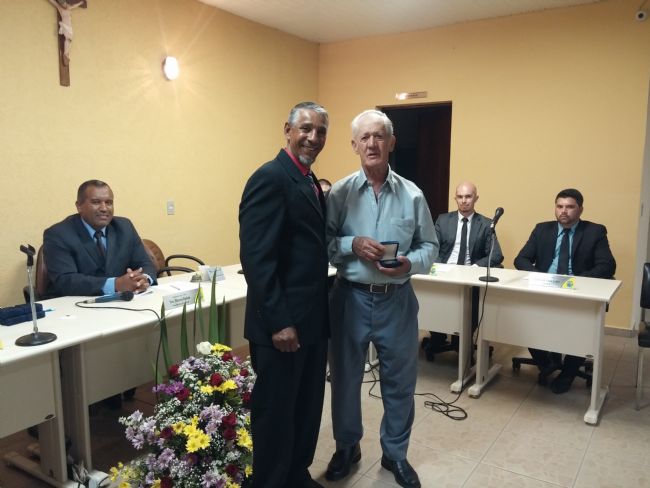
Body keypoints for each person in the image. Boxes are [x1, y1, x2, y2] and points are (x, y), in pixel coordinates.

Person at [326, 109, 438, 488]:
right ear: (354, 145)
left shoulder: (412, 194)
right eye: (365, 137)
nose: (372, 143)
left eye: (379, 136)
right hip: (349, 299)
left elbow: (430, 247)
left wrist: (410, 263)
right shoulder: (339, 194)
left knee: (400, 383)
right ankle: (347, 448)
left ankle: (395, 454)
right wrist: (351, 244)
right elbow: (322, 243)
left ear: (392, 143)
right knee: (344, 381)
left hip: (397, 300)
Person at [239, 102, 330, 488]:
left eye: (320, 131)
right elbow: (257, 259)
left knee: (306, 408)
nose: (313, 137)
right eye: (306, 128)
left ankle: (296, 474)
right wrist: (279, 322)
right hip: (282, 326)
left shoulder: (309, 180)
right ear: (288, 129)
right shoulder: (270, 178)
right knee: (275, 415)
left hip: (311, 322)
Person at [514, 188, 616, 394]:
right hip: (545, 289)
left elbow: (607, 266)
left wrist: (576, 281)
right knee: (524, 319)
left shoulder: (594, 232)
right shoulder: (542, 229)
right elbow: (521, 259)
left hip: (578, 291)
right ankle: (545, 362)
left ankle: (568, 371)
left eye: (570, 207)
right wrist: (541, 277)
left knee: (581, 326)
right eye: (560, 206)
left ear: (580, 209)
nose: (564, 211)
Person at [423, 181, 504, 358]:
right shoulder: (443, 220)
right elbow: (432, 247)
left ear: (476, 198)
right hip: (444, 274)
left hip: (470, 278)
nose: (464, 200)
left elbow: (497, 255)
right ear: (455, 198)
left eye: (468, 196)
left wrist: (474, 268)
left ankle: (463, 339)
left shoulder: (486, 224)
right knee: (430, 298)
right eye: (460, 197)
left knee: (470, 305)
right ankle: (437, 335)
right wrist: (440, 267)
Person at [43, 179, 156, 299]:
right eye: (96, 202)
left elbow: (145, 263)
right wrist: (114, 284)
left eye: (109, 202)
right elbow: (65, 280)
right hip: (75, 303)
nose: (104, 208)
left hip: (123, 301)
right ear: (79, 206)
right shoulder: (58, 234)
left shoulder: (124, 227)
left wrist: (143, 279)